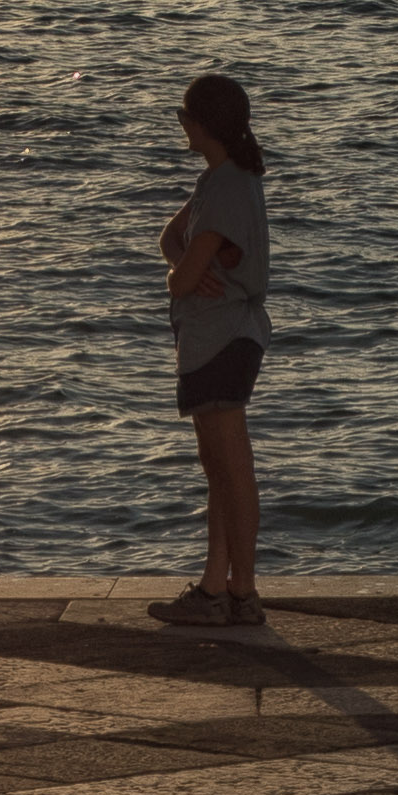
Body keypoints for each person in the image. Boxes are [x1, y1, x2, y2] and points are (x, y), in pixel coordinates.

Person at [149, 68, 273, 631]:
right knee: (221, 472)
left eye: (185, 116)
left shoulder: (225, 187)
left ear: (200, 124)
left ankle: (241, 591)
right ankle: (216, 587)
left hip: (221, 338)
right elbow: (170, 239)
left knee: (232, 471)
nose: (182, 124)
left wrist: (182, 273)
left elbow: (180, 279)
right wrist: (187, 265)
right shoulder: (224, 179)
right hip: (217, 339)